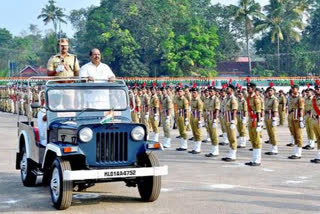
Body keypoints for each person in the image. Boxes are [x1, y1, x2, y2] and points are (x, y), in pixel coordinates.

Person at [246, 82, 262, 166]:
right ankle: (254, 158)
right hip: (251, 119)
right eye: (247, 88)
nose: (248, 89)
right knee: (252, 139)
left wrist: (259, 123)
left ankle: (258, 160)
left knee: (257, 140)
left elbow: (259, 111)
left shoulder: (256, 98)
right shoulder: (248, 98)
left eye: (249, 88)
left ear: (253, 89)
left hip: (255, 120)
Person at [221, 84, 238, 162]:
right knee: (229, 137)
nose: (226, 89)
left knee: (233, 138)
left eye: (228, 88)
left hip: (231, 120)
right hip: (226, 120)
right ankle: (230, 153)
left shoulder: (233, 99)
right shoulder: (226, 98)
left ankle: (233, 155)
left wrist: (233, 121)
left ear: (231, 90)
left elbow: (234, 110)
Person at [288, 85, 305, 159]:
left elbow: (301, 109)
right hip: (291, 116)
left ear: (297, 89)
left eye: (294, 88)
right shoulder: (291, 97)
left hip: (297, 117)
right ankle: (295, 151)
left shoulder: (300, 98)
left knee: (298, 135)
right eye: (291, 88)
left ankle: (299, 153)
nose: (292, 90)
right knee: (294, 134)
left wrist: (301, 119)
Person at [264, 86, 279, 155]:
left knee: (273, 134)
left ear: (274, 92)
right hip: (267, 116)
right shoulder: (267, 99)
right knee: (269, 133)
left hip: (271, 116)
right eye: (268, 91)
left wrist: (274, 120)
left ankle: (275, 149)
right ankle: (271, 148)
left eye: (271, 90)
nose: (269, 92)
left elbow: (275, 110)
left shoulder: (274, 99)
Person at [188, 86, 203, 154]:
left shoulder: (199, 101)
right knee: (194, 133)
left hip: (197, 117)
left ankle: (198, 148)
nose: (193, 94)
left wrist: (200, 121)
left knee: (198, 133)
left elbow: (200, 111)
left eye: (194, 92)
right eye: (192, 92)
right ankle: (195, 147)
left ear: (197, 93)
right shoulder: (192, 100)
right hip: (192, 117)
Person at [310, 82, 320, 163]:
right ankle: (319, 155)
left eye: (318, 89)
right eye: (316, 89)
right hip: (314, 120)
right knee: (318, 138)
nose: (317, 90)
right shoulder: (314, 99)